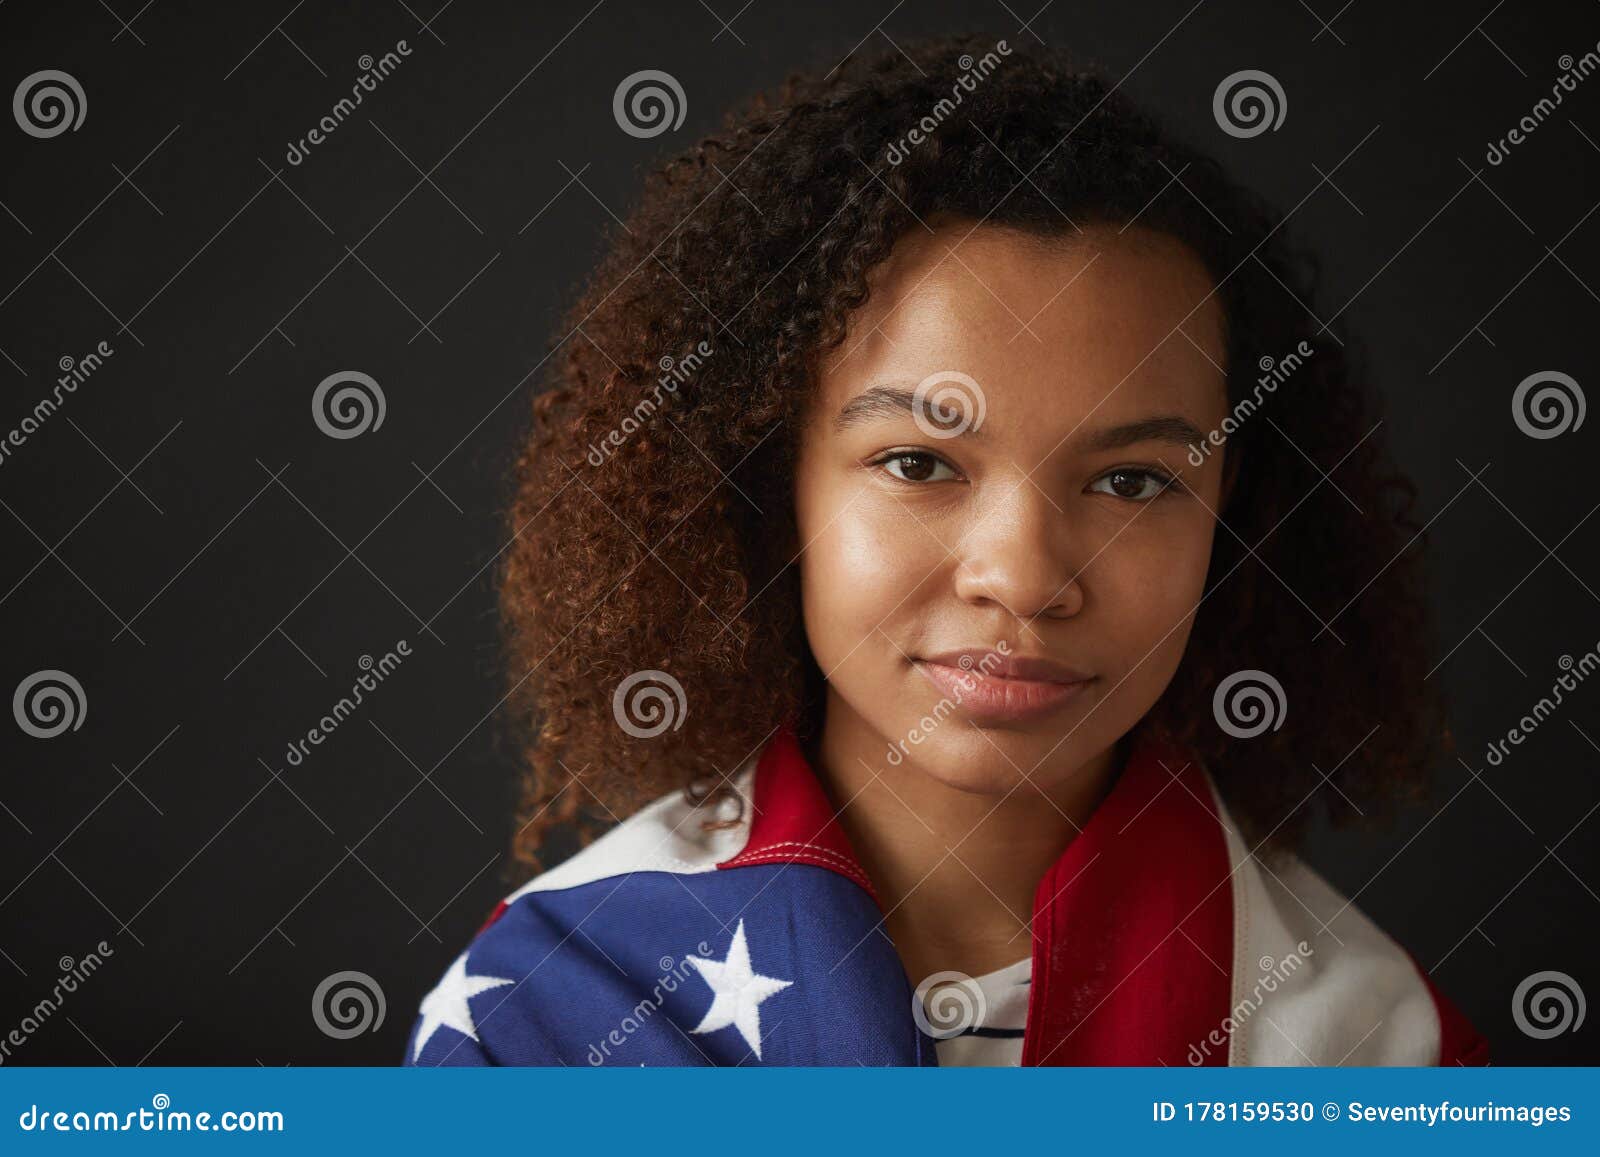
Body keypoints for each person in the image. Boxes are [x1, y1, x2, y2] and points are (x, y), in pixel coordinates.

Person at [405, 34, 1486, 1067]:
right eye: (920, 463)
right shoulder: (543, 1020)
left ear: (1227, 509)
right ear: (768, 483)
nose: (1021, 579)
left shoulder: (1376, 1049)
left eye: (1131, 479)